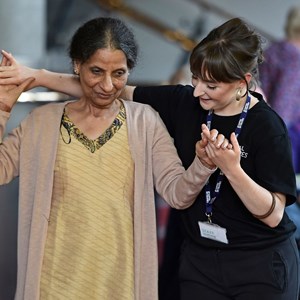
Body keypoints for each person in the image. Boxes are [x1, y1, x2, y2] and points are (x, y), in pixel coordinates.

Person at [1, 17, 299, 300]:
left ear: (241, 82)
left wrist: (220, 167)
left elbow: (267, 214)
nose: (198, 91)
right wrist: (27, 85)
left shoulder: (263, 127)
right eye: (196, 79)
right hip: (193, 262)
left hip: (248, 264)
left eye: (210, 85)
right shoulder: (185, 102)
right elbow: (109, 89)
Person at [259, 6, 300, 174]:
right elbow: (285, 100)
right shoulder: (295, 57)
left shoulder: (275, 48)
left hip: (263, 118)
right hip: (282, 130)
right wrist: (278, 140)